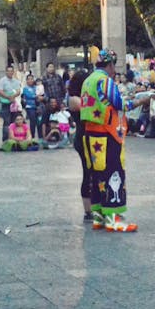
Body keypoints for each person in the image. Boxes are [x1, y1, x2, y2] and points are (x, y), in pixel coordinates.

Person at [80, 48, 137, 232]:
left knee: (97, 175)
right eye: (114, 66)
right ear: (110, 64)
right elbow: (120, 104)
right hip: (107, 133)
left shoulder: (88, 80)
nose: (115, 71)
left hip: (90, 135)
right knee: (114, 173)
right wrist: (141, 101)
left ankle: (99, 217)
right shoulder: (105, 81)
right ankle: (114, 220)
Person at [67, 65, 93, 223]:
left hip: (89, 137)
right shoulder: (74, 98)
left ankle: (94, 207)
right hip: (83, 138)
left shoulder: (80, 96)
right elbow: (88, 109)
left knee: (93, 173)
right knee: (87, 172)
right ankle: (88, 210)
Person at [0, 65, 21, 142]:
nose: (10, 72)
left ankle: (13, 138)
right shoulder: (2, 81)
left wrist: (13, 96)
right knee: (6, 122)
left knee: (14, 121)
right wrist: (8, 97)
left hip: (14, 104)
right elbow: (0, 91)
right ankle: (5, 139)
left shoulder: (16, 81)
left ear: (13, 72)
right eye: (8, 71)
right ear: (6, 72)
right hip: (5, 103)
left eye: (11, 71)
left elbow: (18, 91)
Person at [41, 62, 66, 136]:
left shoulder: (58, 77)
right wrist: (46, 99)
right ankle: (46, 135)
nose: (51, 68)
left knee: (60, 119)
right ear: (47, 68)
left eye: (52, 67)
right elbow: (42, 90)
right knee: (47, 120)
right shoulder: (44, 78)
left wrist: (62, 100)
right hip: (49, 103)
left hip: (58, 101)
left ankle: (62, 135)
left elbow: (63, 88)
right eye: (49, 67)